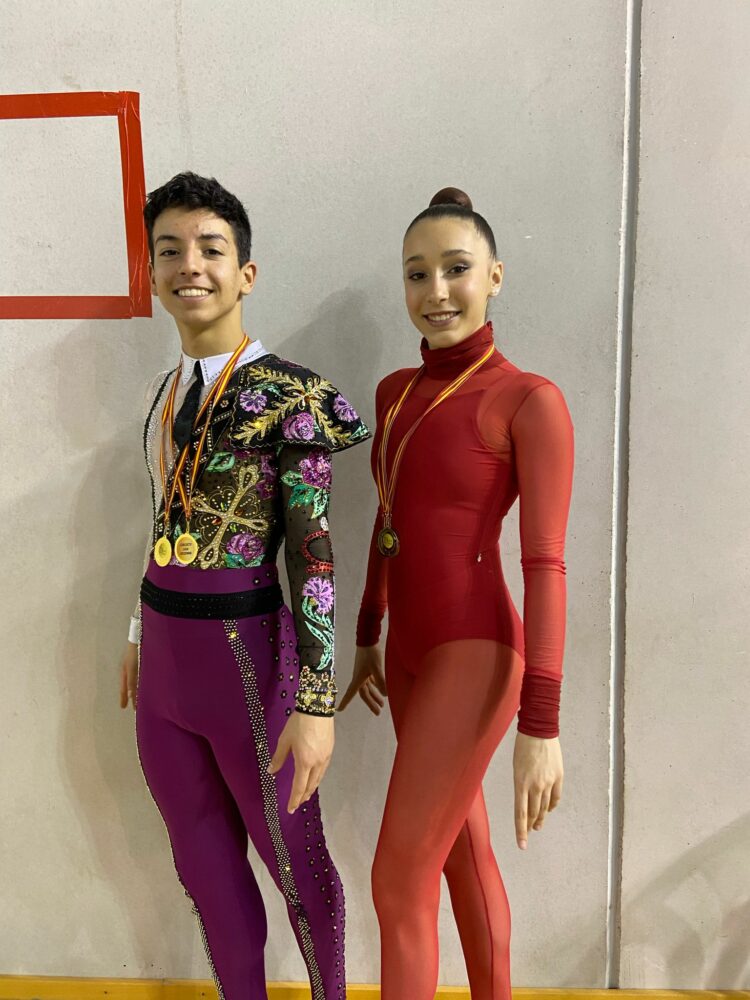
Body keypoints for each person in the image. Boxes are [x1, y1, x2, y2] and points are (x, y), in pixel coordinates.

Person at [117, 172, 369, 1000]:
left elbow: (316, 558)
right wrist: (132, 633)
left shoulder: (292, 397)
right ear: (152, 272)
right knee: (204, 868)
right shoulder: (163, 396)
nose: (190, 265)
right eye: (170, 249)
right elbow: (166, 514)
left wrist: (318, 699)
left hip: (247, 659)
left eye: (211, 249)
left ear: (246, 273)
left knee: (299, 868)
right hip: (165, 667)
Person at [339, 187, 574, 1000]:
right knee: (461, 858)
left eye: (456, 270)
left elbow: (547, 567)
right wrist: (368, 630)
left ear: (496, 276)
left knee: (397, 879)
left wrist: (540, 724)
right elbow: (387, 515)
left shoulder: (528, 400)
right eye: (417, 274)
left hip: (476, 656)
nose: (435, 291)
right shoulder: (394, 392)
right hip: (405, 655)